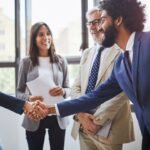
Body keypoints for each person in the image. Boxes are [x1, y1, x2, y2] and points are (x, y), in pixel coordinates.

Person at [47, 0, 150, 149]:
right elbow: (95, 96)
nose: (99, 27)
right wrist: (50, 109)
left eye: (102, 20)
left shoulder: (147, 42)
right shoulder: (121, 63)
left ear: (118, 20)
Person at [71, 7, 134, 150]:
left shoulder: (121, 50)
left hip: (109, 130)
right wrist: (81, 115)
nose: (93, 27)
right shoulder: (87, 53)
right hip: (84, 127)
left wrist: (97, 122)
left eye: (97, 21)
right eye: (90, 23)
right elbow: (76, 88)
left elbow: (123, 91)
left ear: (107, 22)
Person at [16, 22, 70, 150]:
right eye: (41, 34)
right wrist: (29, 98)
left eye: (48, 33)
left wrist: (63, 91)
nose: (46, 37)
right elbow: (18, 91)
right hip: (34, 115)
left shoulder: (61, 60)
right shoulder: (26, 62)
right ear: (34, 39)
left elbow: (69, 88)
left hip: (56, 116)